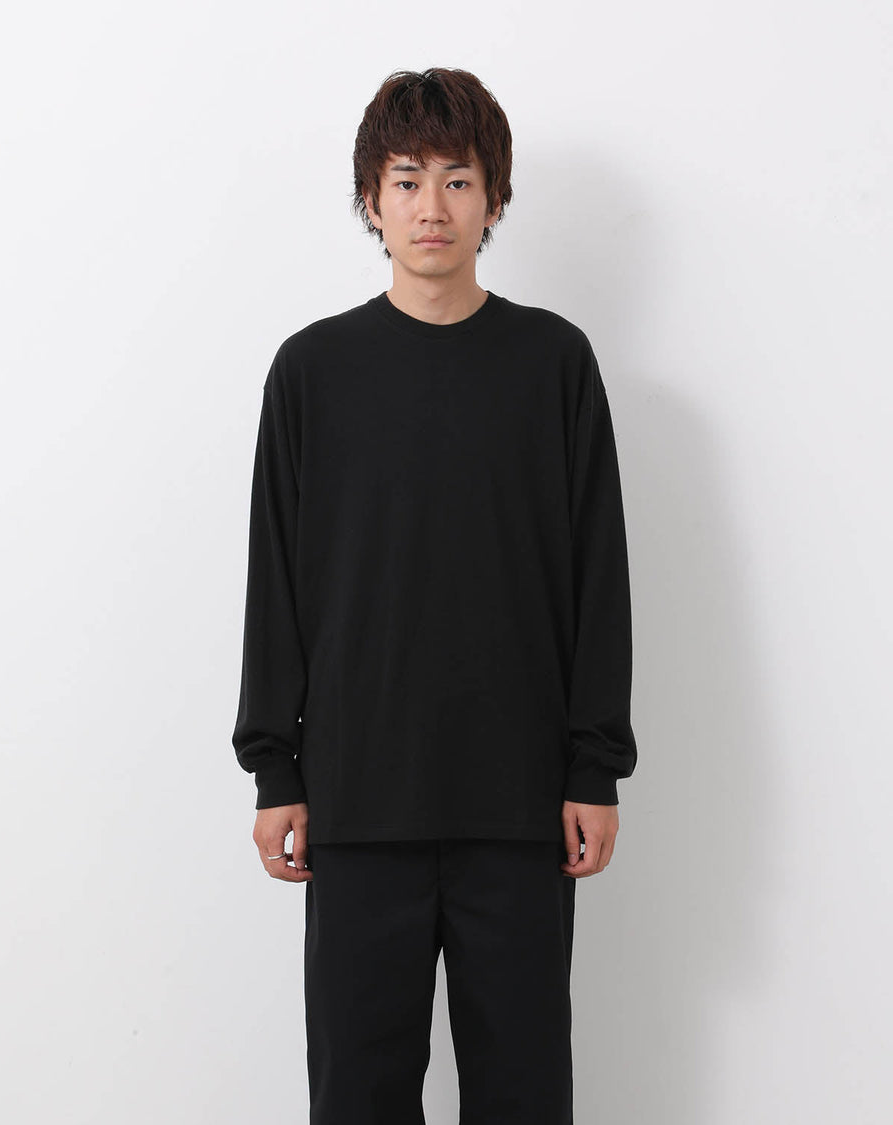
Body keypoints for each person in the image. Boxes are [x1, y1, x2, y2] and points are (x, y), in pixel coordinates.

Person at [231, 66, 638, 1125]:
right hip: (358, 799)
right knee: (358, 1098)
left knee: (524, 1095)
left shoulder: (554, 363)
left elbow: (599, 577)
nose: (432, 206)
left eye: (458, 180)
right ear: (371, 199)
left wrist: (594, 763)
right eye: (407, 179)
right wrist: (275, 767)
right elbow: (276, 579)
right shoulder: (312, 372)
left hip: (521, 804)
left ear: (493, 199)